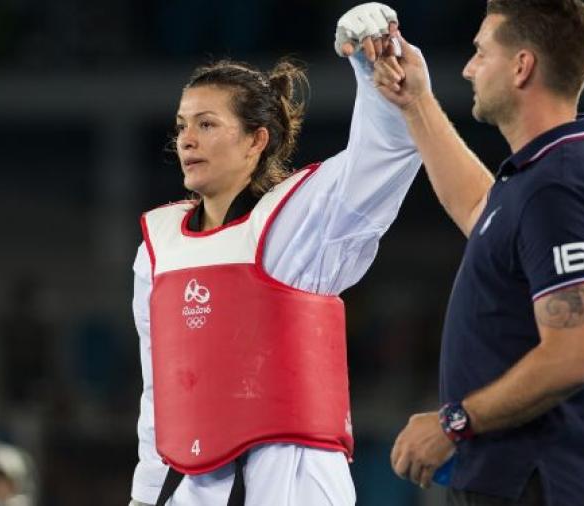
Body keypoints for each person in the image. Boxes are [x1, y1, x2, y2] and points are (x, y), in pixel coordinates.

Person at [129, 4, 422, 505]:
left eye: (206, 124)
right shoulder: (157, 250)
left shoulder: (292, 222)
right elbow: (161, 392)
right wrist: (145, 494)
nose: (186, 140)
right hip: (188, 488)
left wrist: (374, 66)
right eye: (182, 126)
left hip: (288, 480)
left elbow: (386, 154)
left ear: (255, 141)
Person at [368, 1, 584, 505]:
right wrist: (416, 102)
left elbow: (573, 356)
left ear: (521, 66)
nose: (468, 68)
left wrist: (452, 423)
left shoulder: (559, 186)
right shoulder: (545, 172)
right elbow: (474, 207)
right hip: (515, 480)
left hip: (535, 483)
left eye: (481, 52)